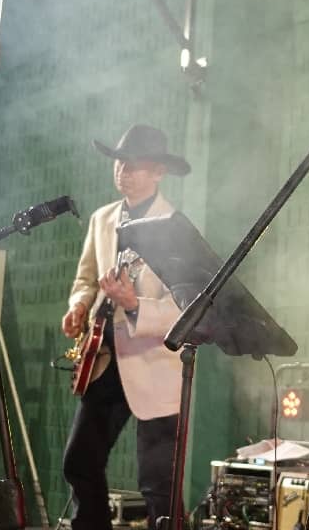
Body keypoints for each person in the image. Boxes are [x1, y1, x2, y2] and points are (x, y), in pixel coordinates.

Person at [60, 123, 193, 530]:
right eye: (119, 164)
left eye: (134, 166)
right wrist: (79, 306)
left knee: (159, 486)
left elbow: (188, 309)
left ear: (158, 173)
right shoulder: (102, 218)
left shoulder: (176, 227)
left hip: (156, 365)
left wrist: (135, 304)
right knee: (79, 463)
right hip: (104, 359)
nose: (123, 172)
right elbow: (85, 279)